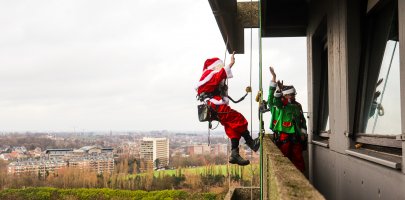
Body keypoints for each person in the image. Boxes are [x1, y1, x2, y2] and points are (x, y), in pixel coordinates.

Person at [195, 52, 260, 166]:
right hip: (215, 105)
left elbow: (218, 81)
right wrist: (230, 64)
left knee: (231, 126)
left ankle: (234, 154)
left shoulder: (210, 77)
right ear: (215, 67)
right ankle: (251, 143)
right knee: (239, 119)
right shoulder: (209, 74)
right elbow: (218, 76)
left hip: (214, 106)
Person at [267, 66, 307, 172]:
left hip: (296, 137)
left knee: (298, 160)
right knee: (285, 160)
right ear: (285, 96)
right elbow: (273, 99)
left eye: (293, 95)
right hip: (284, 137)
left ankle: (301, 178)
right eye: (291, 95)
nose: (293, 97)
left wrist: (303, 133)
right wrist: (274, 80)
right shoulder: (280, 105)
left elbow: (303, 121)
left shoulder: (297, 106)